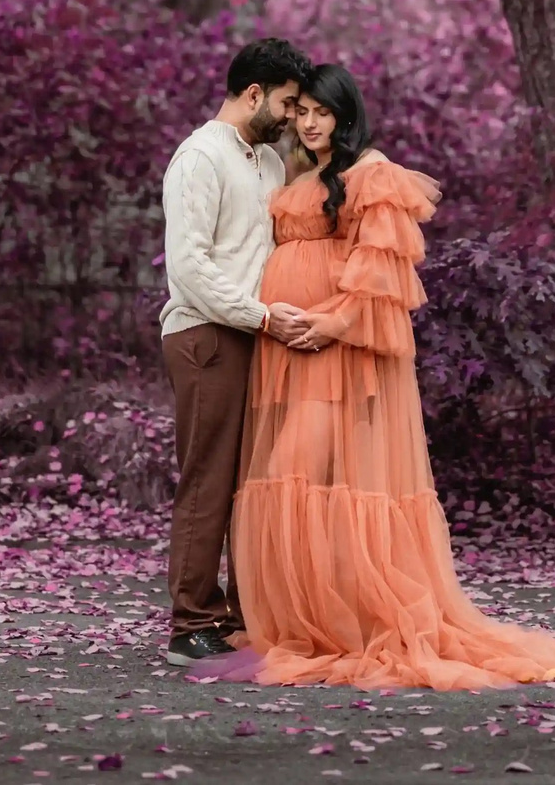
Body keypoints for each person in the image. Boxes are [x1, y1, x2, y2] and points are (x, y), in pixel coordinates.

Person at [204, 63, 555, 689]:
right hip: (287, 347)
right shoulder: (297, 170)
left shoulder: (372, 172)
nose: (308, 123)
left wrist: (331, 324)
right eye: (301, 110)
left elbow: (381, 271)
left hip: (336, 347)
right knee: (289, 474)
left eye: (321, 113)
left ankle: (351, 621)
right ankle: (308, 619)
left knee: (307, 471)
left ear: (346, 114)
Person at [158, 37, 317, 666]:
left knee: (253, 486)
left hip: (256, 336)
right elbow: (189, 267)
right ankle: (189, 623)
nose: (291, 118)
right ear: (254, 94)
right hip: (205, 334)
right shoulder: (198, 157)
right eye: (285, 103)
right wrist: (264, 317)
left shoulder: (271, 164)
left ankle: (236, 617)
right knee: (209, 481)